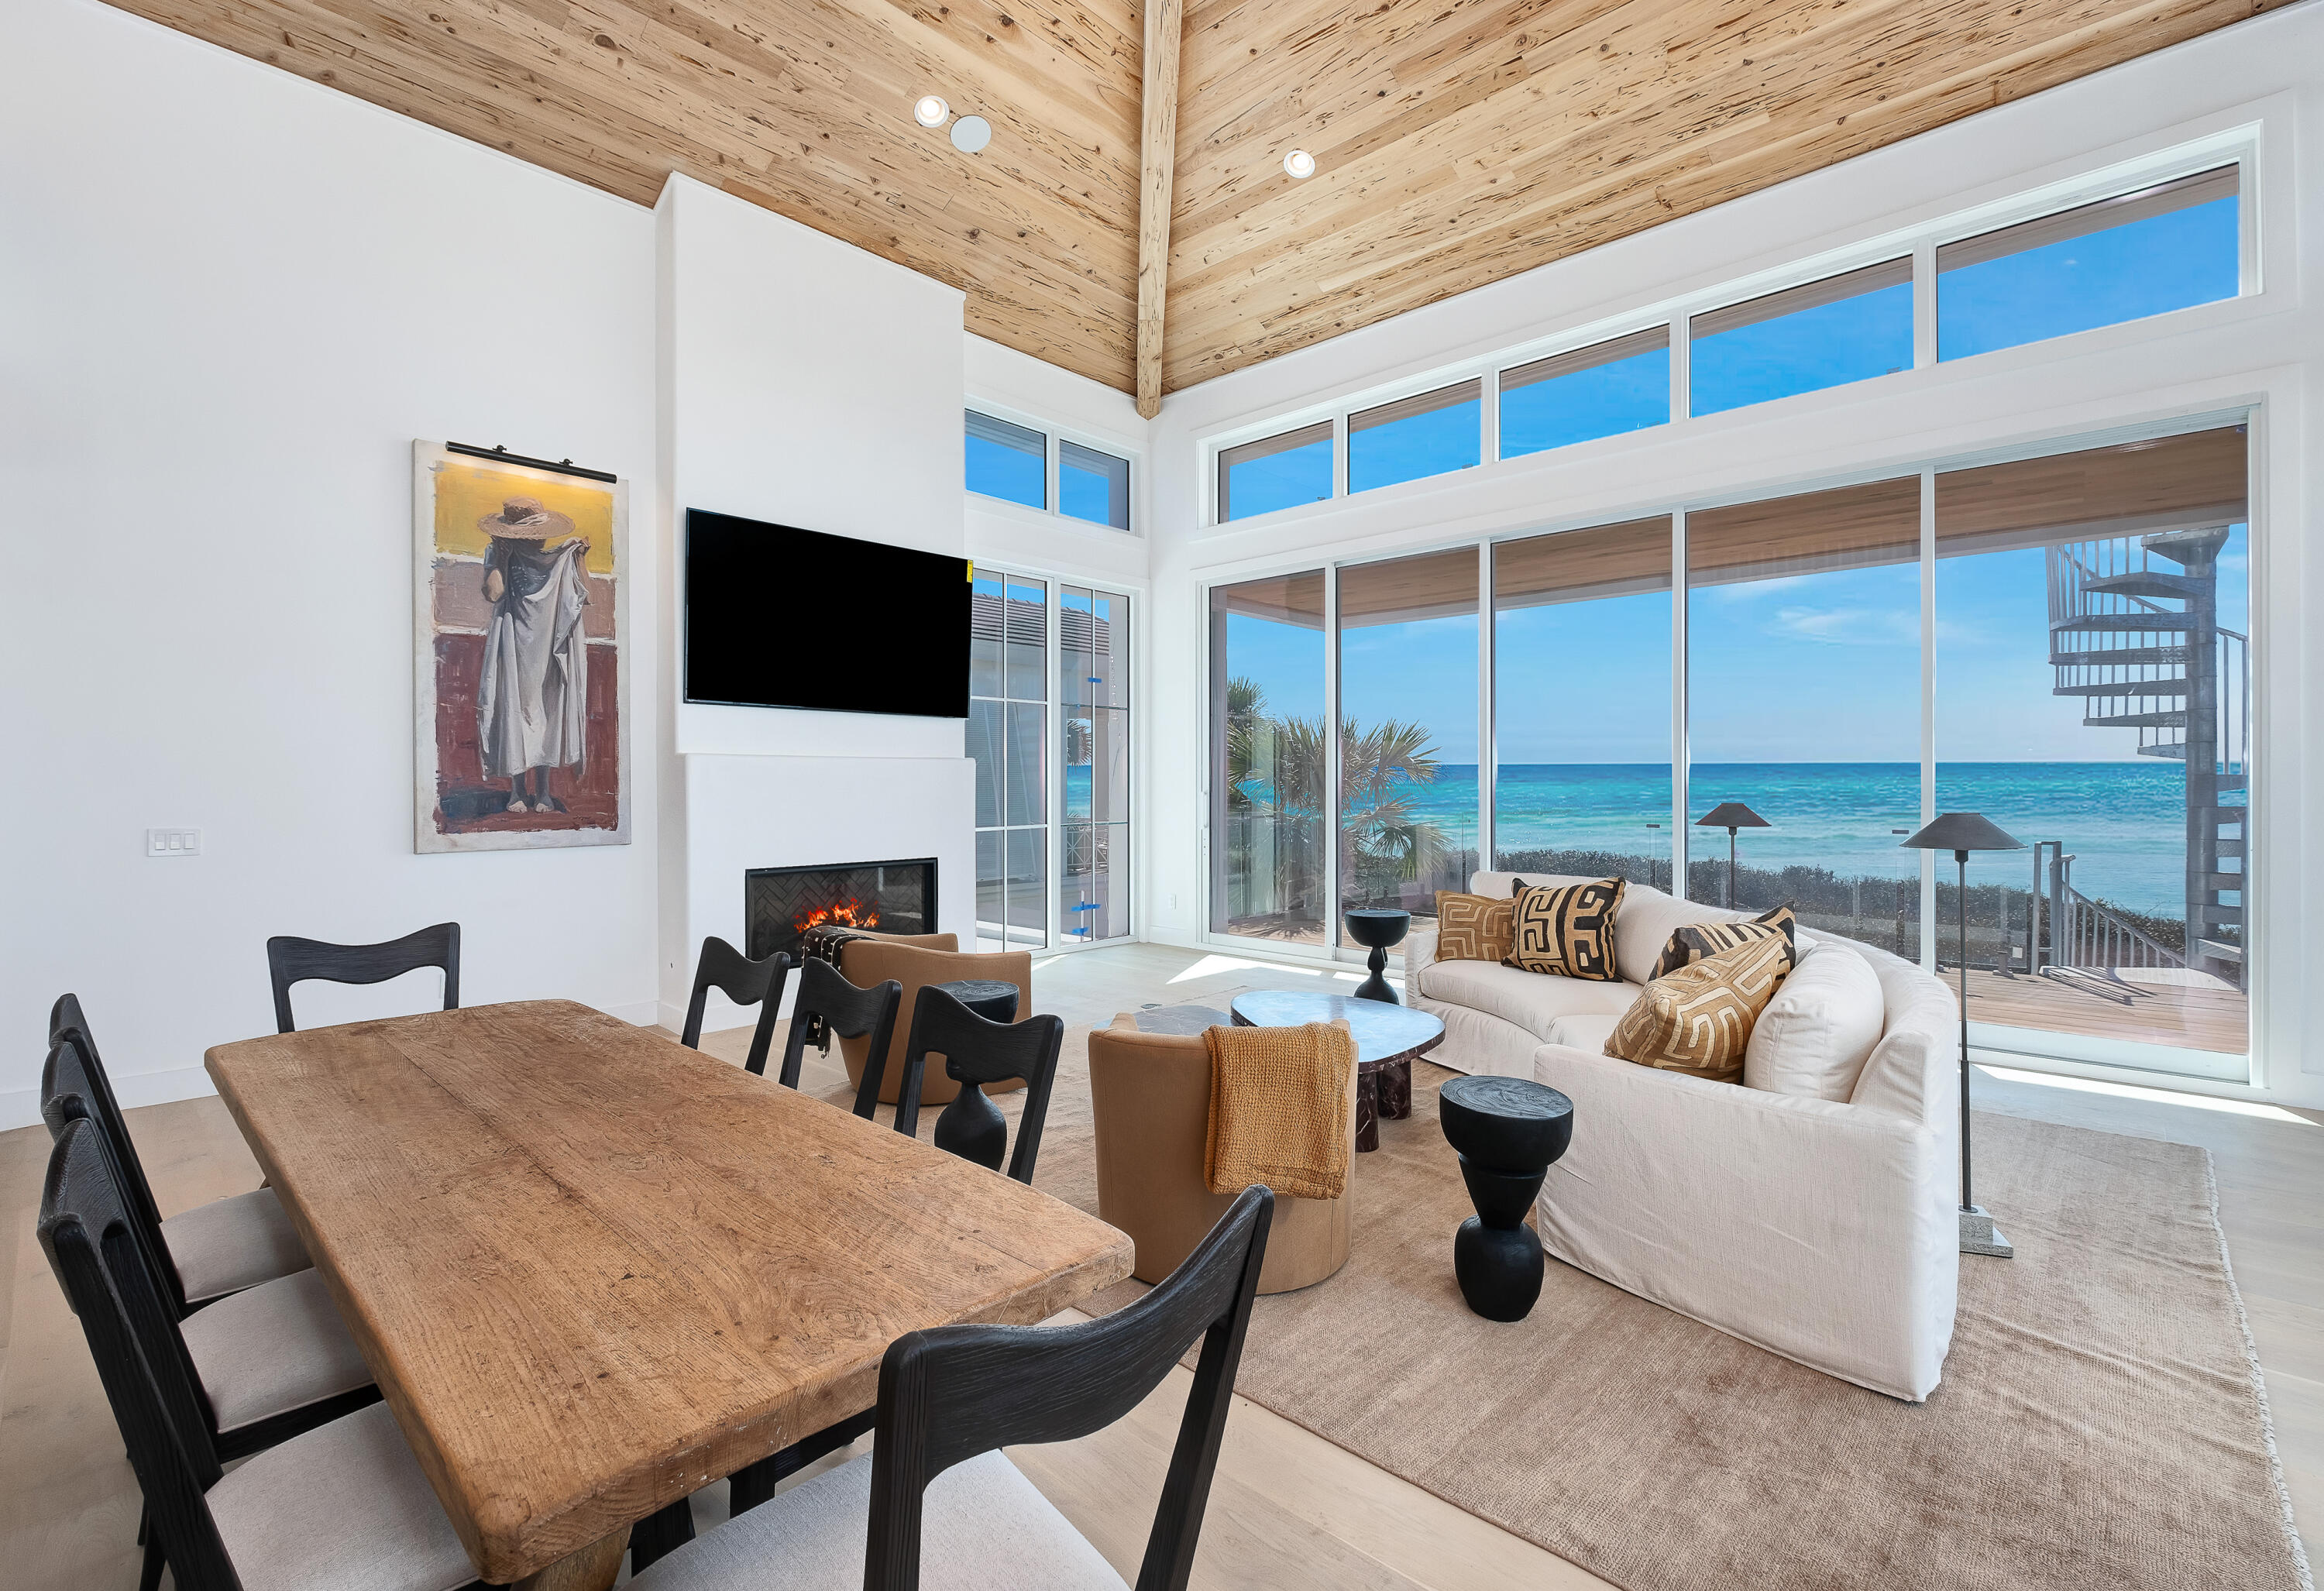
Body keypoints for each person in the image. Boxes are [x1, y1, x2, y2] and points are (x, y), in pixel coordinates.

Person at [473, 496, 590, 814]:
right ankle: (516, 790)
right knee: (516, 708)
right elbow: (493, 593)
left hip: (550, 642)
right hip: (514, 641)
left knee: (547, 708)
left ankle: (543, 790)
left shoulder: (557, 557)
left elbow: (584, 597)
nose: (539, 540)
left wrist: (579, 559)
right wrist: (502, 557)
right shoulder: (497, 552)